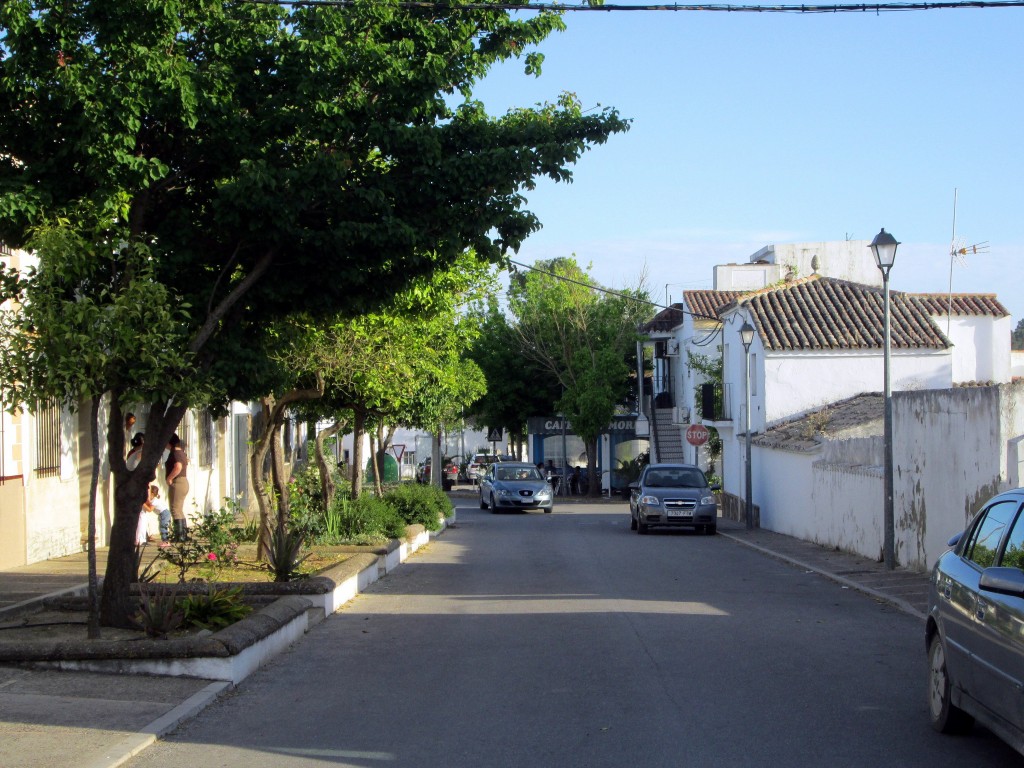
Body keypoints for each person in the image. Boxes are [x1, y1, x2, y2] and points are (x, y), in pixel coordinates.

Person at [165, 433, 190, 540]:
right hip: (183, 481)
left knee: (175, 508)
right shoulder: (181, 453)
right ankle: (183, 534)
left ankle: (179, 536)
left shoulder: (176, 453)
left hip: (178, 481)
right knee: (179, 509)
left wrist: (170, 478)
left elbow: (178, 466)